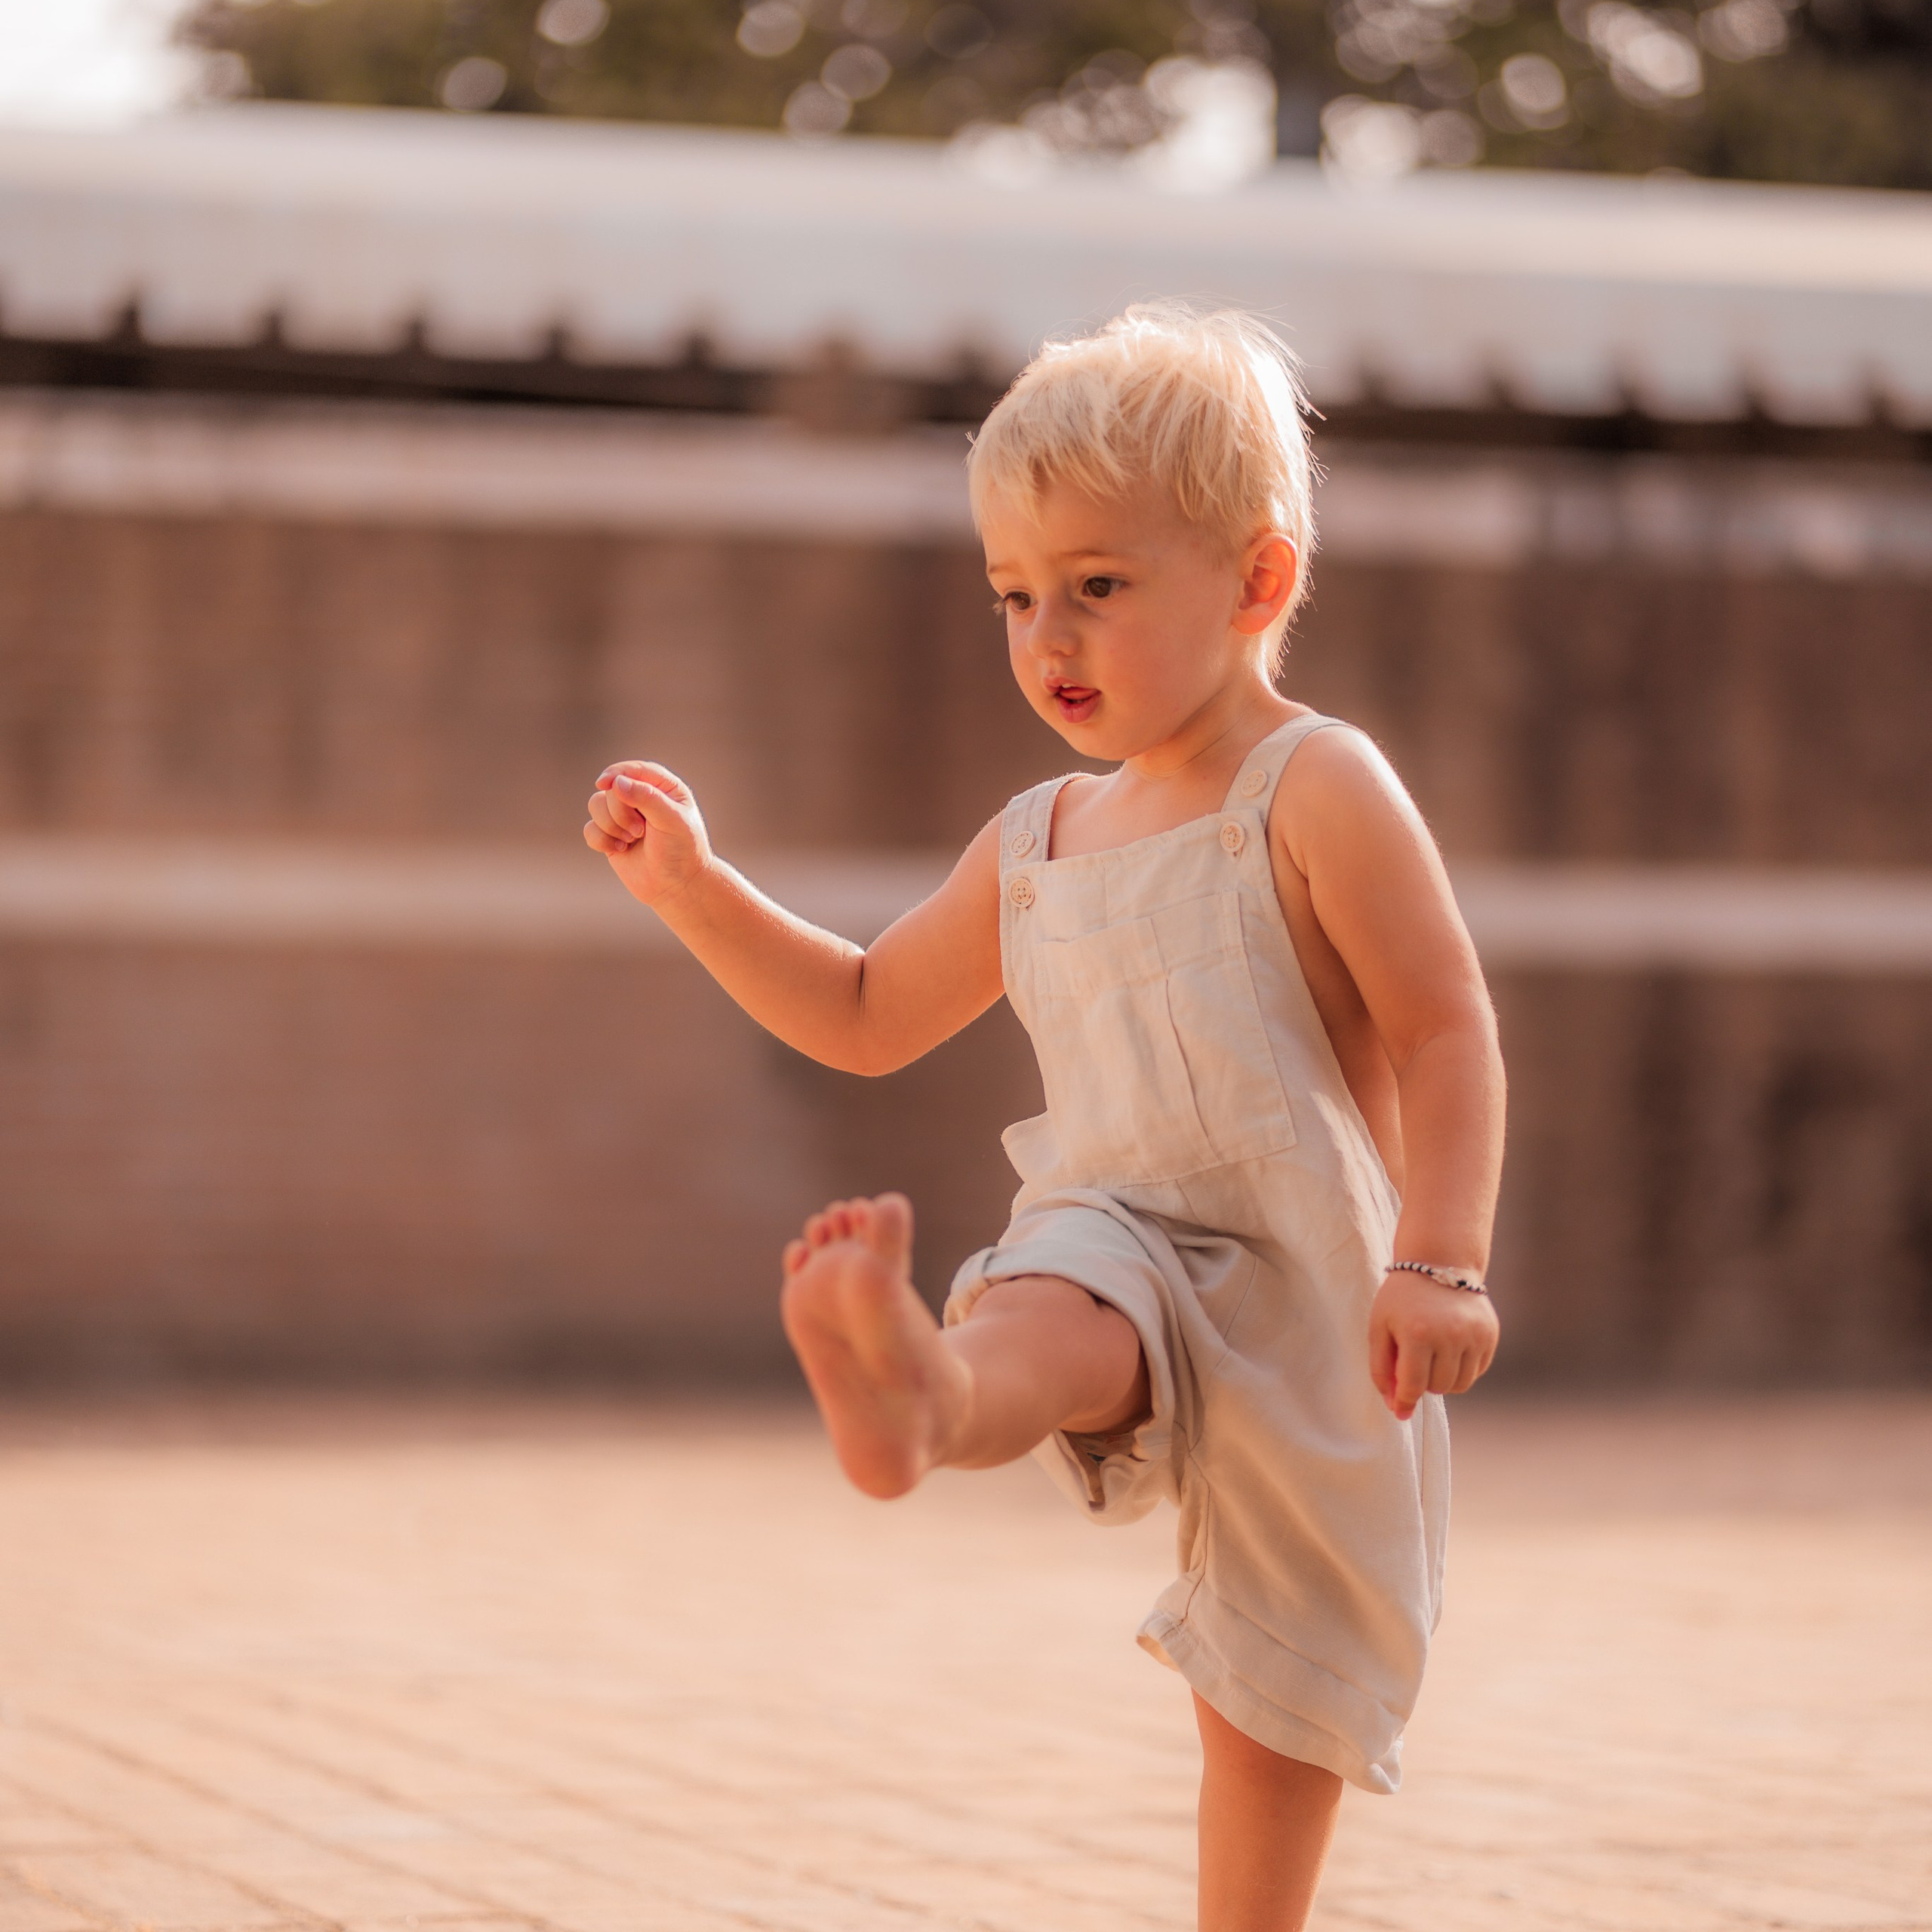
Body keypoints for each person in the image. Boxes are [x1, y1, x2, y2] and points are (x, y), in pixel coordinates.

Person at [583, 302, 1504, 1932]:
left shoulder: (1314, 785)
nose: (1047, 637)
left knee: (1274, 1687)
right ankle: (924, 1395)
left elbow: (1444, 1029)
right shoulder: (1038, 837)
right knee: (1059, 1305)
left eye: (1096, 584)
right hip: (1119, 1227)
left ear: (1254, 582)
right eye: (1014, 594)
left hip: (1307, 1293)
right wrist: (697, 893)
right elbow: (866, 1008)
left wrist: (1438, 1258)